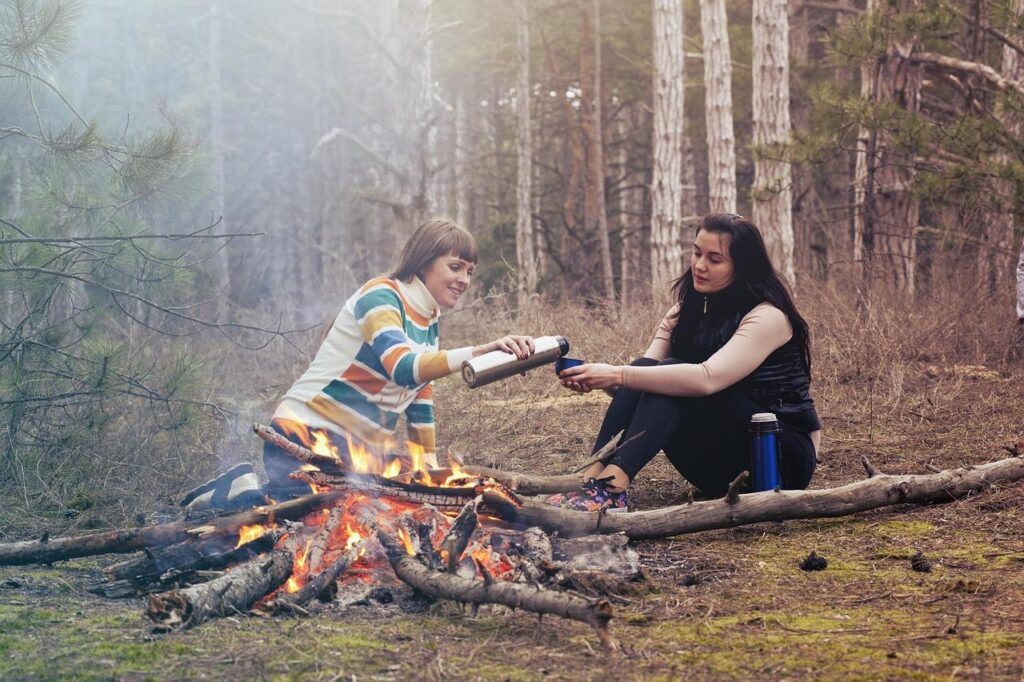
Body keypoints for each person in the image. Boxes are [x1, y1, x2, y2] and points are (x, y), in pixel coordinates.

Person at [183, 218, 533, 510]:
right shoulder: (380, 295)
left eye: (470, 272)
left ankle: (252, 491)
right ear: (424, 262)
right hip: (304, 436)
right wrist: (478, 351)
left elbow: (419, 395)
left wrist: (430, 470)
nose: (464, 280)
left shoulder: (429, 319)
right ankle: (236, 489)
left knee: (384, 511)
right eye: (455, 267)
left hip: (355, 454)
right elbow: (404, 367)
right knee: (307, 516)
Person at [547, 213, 821, 513]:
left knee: (663, 374)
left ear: (743, 267)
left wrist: (616, 374)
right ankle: (588, 479)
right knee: (645, 368)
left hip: (778, 461)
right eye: (696, 253)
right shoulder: (682, 313)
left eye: (714, 259)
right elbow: (643, 385)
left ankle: (613, 489)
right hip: (719, 466)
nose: (699, 266)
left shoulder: (768, 316)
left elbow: (705, 379)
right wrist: (600, 380)